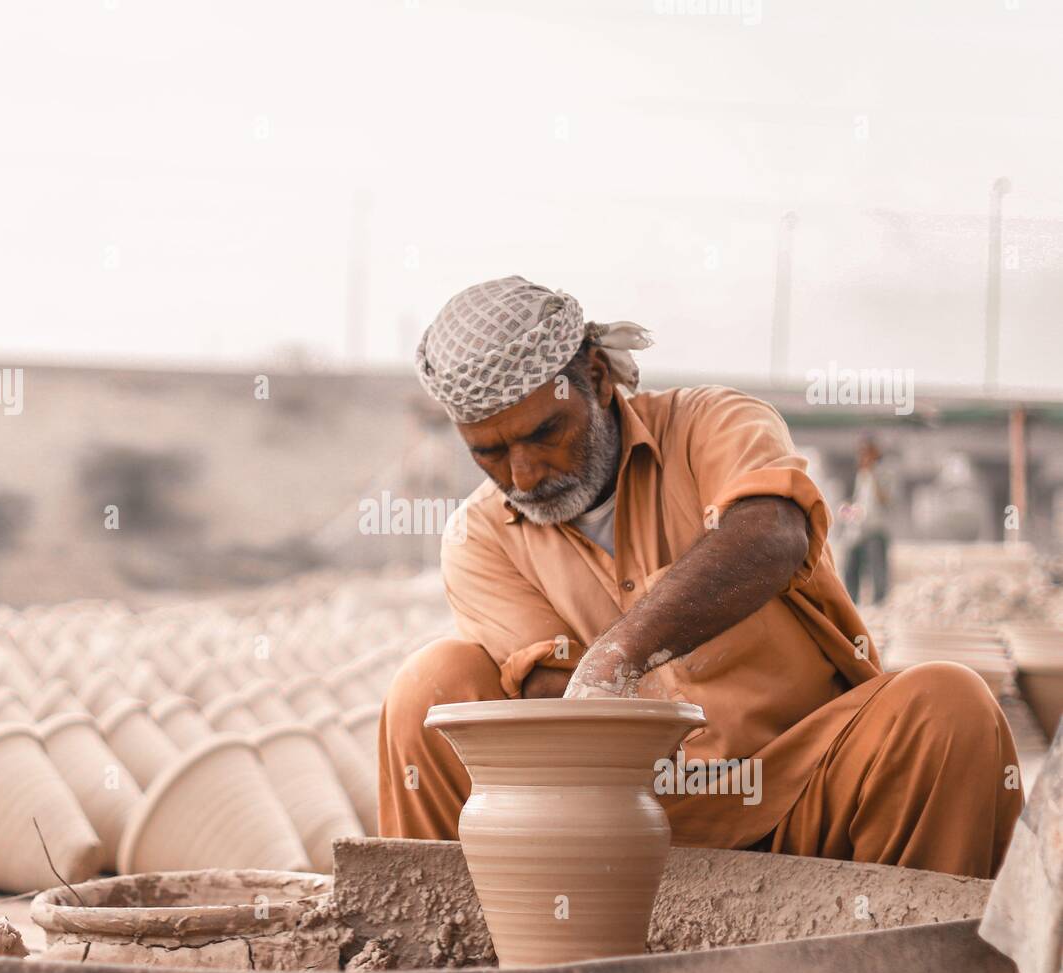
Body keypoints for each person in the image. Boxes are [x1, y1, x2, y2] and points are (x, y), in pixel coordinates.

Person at [378, 275, 1020, 878]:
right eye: (489, 453)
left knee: (949, 704)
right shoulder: (479, 535)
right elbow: (551, 702)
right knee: (429, 687)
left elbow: (771, 531)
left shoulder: (712, 422)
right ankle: (457, 962)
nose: (523, 475)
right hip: (617, 824)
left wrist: (619, 656)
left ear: (597, 377)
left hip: (802, 789)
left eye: (545, 432)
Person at [842, 434, 895, 604]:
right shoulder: (861, 475)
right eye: (860, 452)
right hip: (858, 530)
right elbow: (859, 501)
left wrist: (873, 474)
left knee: (877, 569)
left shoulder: (885, 472)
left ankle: (880, 603)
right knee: (851, 567)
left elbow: (886, 500)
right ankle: (852, 604)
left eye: (865, 452)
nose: (861, 456)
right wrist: (848, 510)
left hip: (876, 529)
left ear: (875, 453)